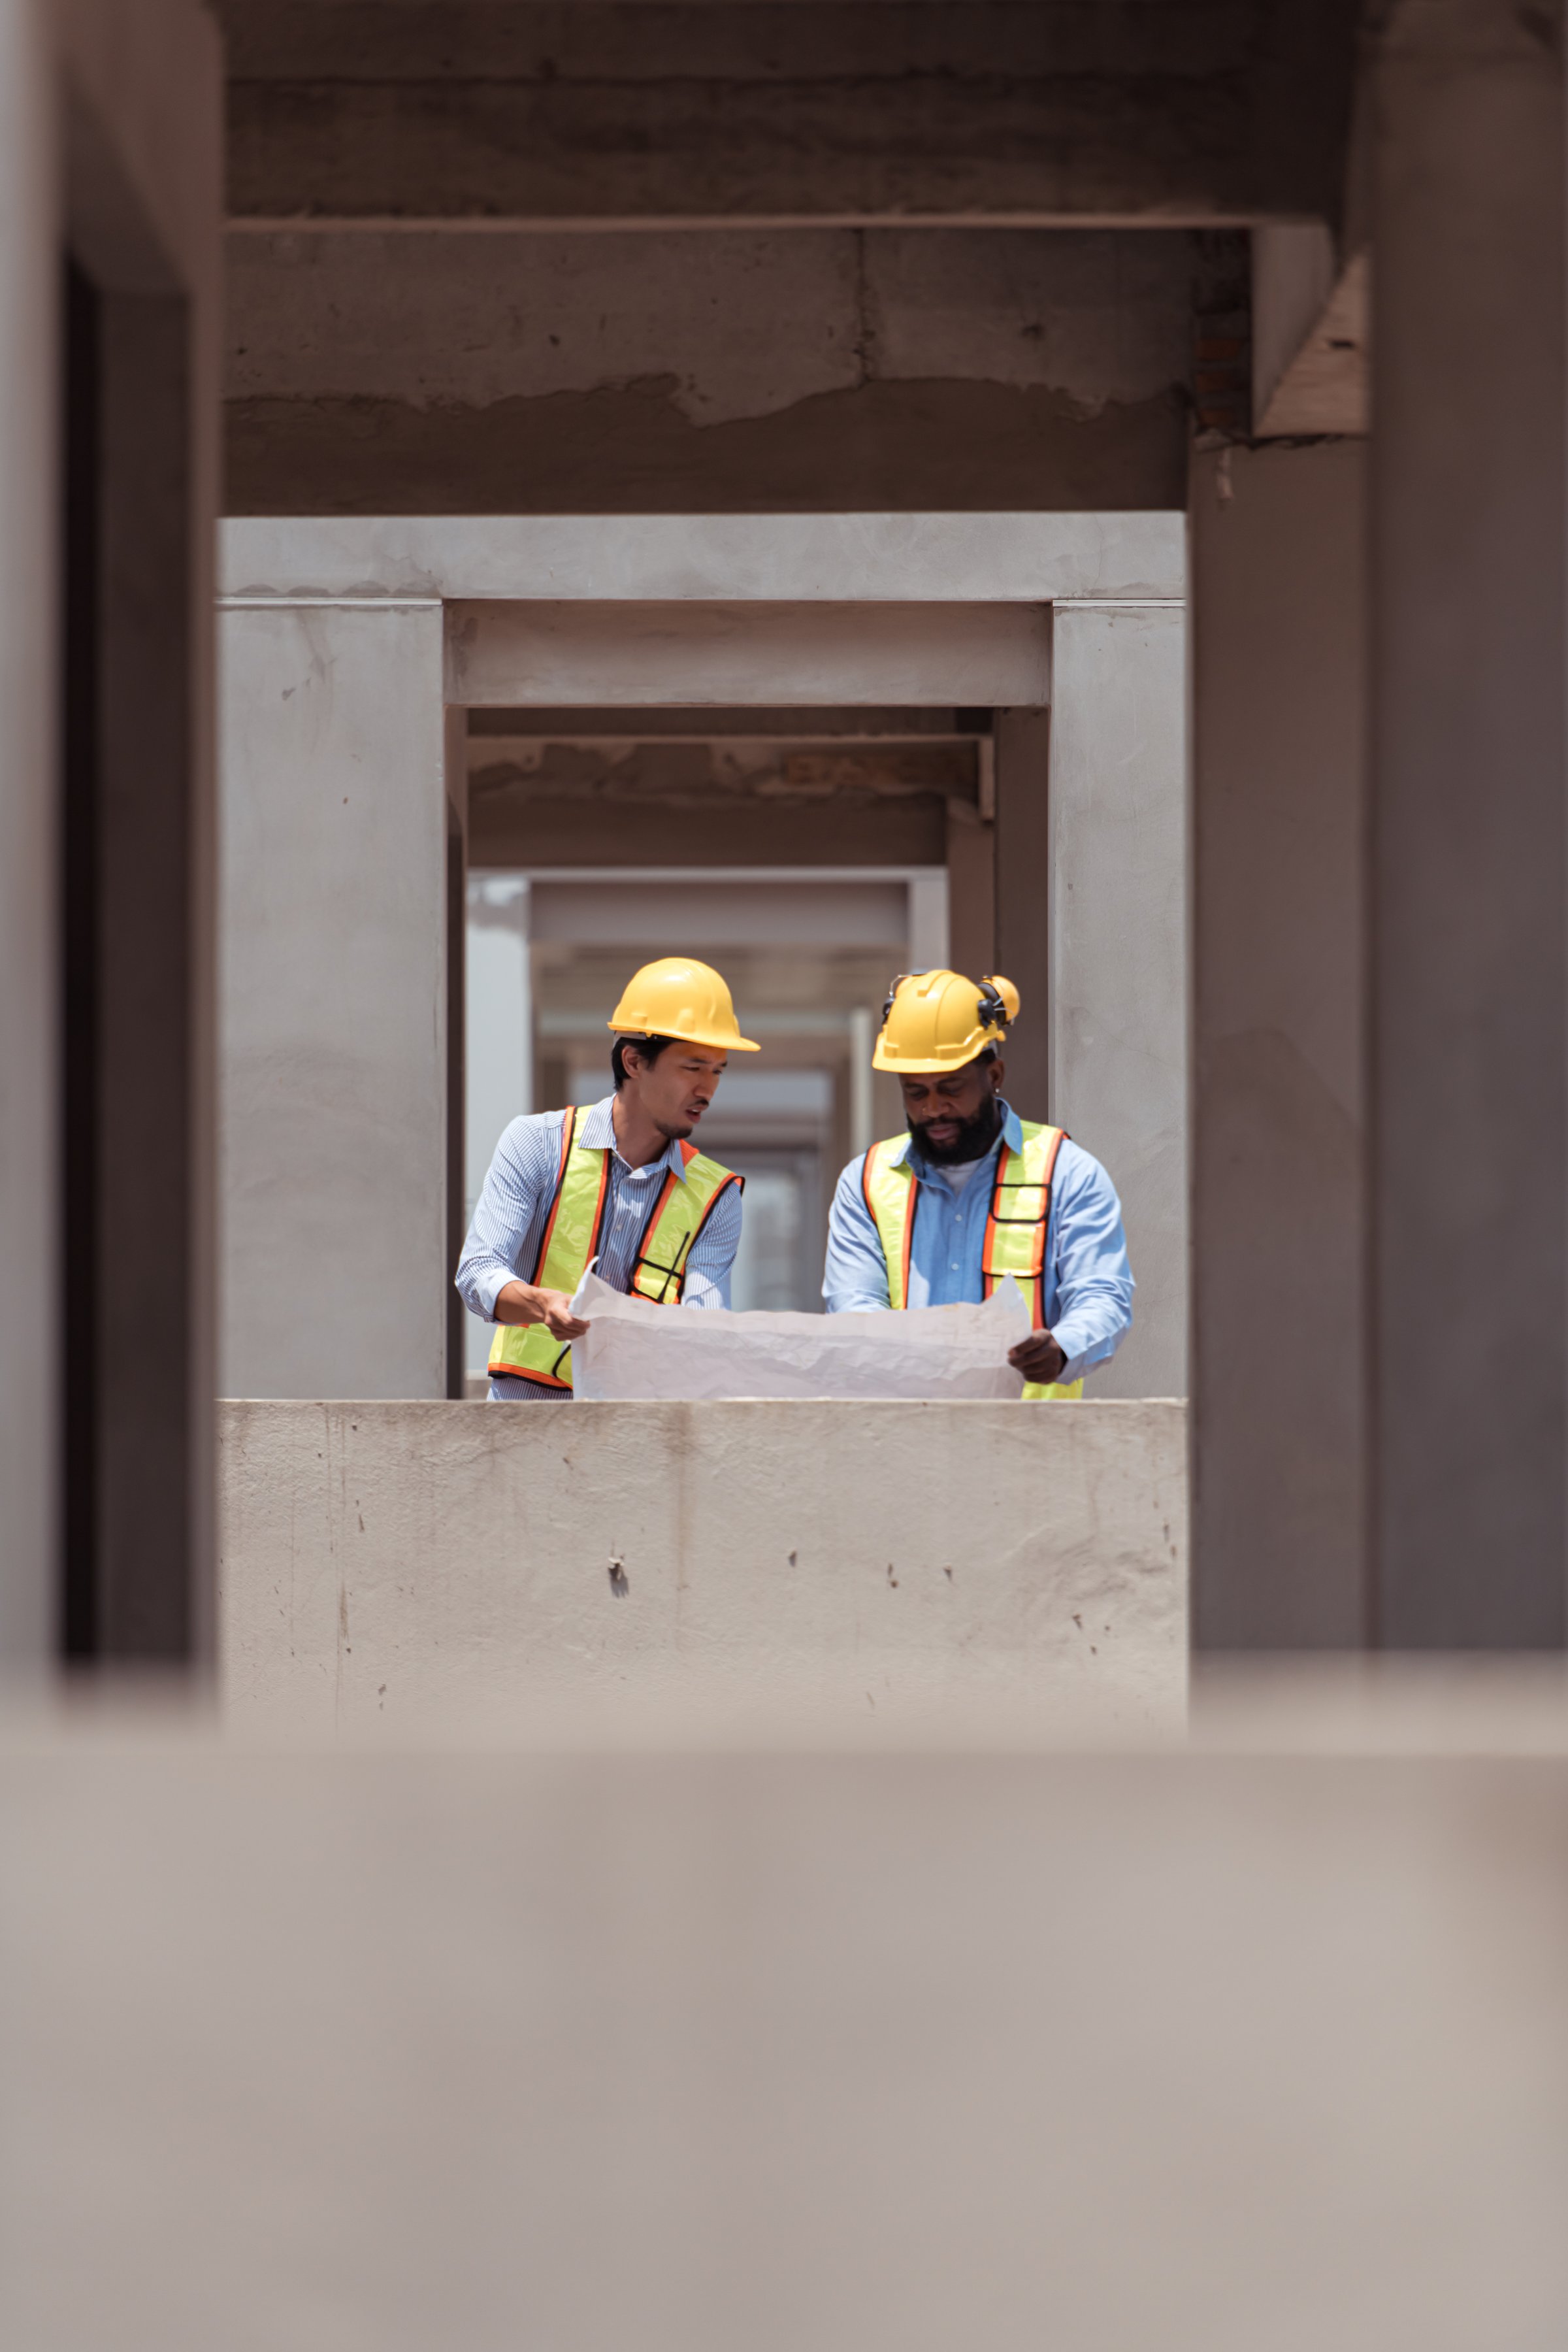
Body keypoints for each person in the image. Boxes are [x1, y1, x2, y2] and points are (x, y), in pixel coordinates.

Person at [457, 957, 757, 1399]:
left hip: (642, 1438)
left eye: (717, 1070)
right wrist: (543, 1304)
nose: (707, 1089)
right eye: (693, 1068)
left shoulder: (717, 1196)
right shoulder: (537, 1145)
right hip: (524, 1429)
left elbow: (704, 1331)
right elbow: (478, 1272)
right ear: (634, 1061)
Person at [823, 970, 1132, 1398]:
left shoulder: (1067, 1172)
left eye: (951, 1088)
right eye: (915, 1093)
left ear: (994, 1075)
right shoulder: (866, 1181)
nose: (933, 1109)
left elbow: (1103, 1296)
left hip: (1033, 1447)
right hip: (906, 1440)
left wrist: (1062, 1348)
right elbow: (853, 1305)